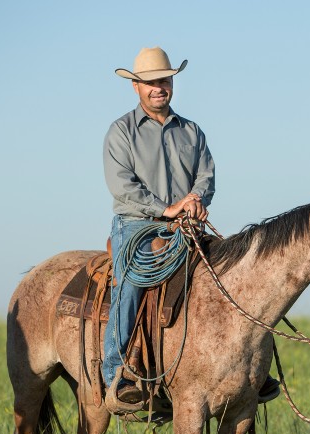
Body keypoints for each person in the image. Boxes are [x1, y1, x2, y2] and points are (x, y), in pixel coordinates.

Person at [102, 46, 278, 404]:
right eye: (150, 82)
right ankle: (115, 372)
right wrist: (167, 209)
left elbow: (205, 176)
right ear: (136, 86)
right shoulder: (121, 132)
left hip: (186, 227)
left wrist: (195, 201)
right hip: (137, 225)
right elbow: (123, 185)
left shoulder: (192, 132)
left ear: (172, 83)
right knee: (132, 281)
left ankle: (248, 368)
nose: (158, 87)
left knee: (234, 273)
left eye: (164, 80)